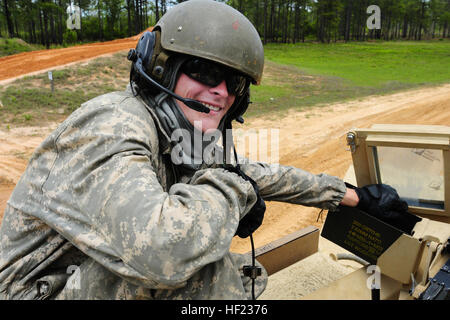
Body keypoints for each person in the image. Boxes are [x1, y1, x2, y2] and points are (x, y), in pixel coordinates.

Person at [0, 0, 418, 300]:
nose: (219, 92)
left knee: (239, 273)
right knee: (198, 270)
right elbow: (165, 251)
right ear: (163, 68)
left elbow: (253, 172)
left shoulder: (178, 125)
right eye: (204, 71)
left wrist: (350, 195)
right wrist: (232, 195)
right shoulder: (113, 124)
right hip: (38, 286)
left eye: (233, 84)